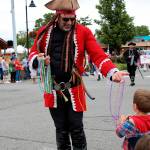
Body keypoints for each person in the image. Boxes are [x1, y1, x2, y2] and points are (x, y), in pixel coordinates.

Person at [28, 0, 128, 149]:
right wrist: (39, 60)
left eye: (72, 19)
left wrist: (112, 72)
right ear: (57, 16)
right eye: (65, 19)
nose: (69, 22)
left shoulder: (83, 31)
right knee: (60, 128)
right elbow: (33, 53)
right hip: (53, 90)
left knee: (76, 127)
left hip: (74, 88)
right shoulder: (44, 31)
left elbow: (97, 54)